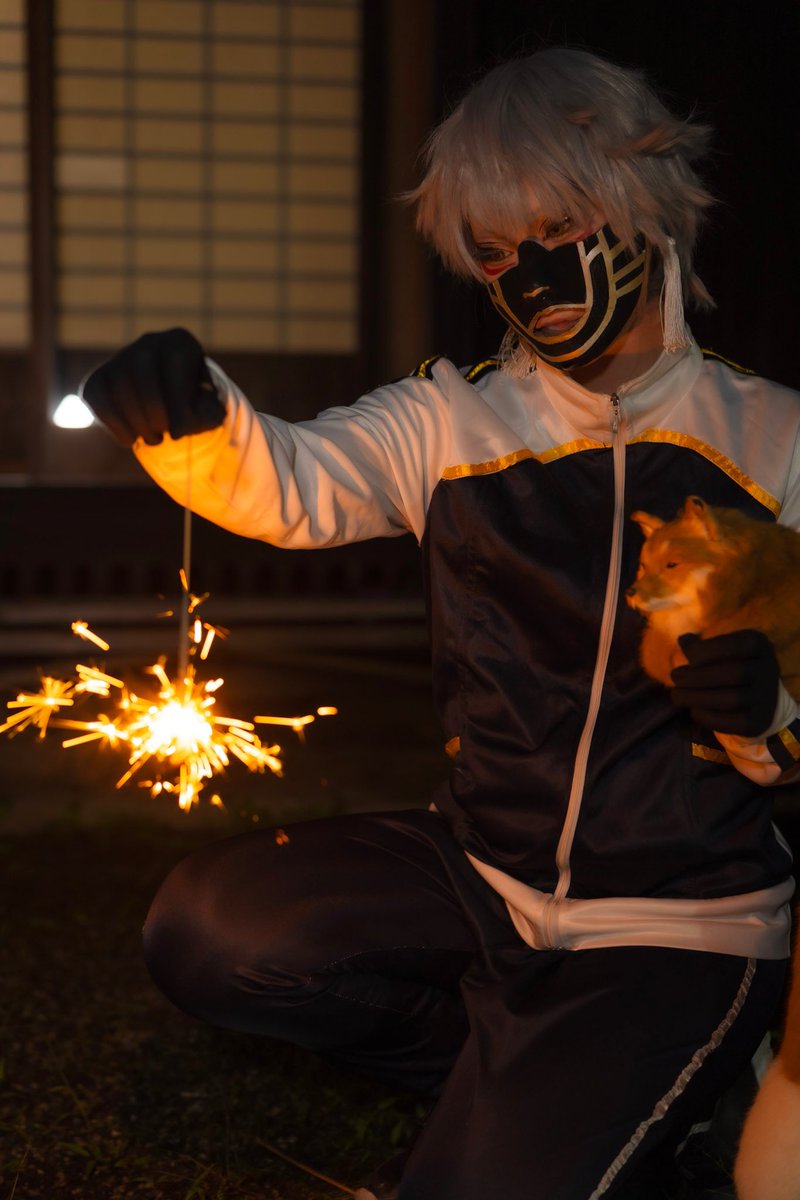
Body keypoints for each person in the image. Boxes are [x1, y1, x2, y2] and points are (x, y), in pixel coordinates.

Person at [82, 46, 800, 1200]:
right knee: (212, 928)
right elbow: (292, 480)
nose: (529, 274)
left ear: (644, 201)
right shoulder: (448, 420)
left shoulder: (776, 441)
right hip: (478, 875)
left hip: (682, 926)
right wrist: (195, 418)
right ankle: (536, 1076)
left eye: (557, 227)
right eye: (495, 251)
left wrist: (770, 712)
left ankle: (631, 1086)